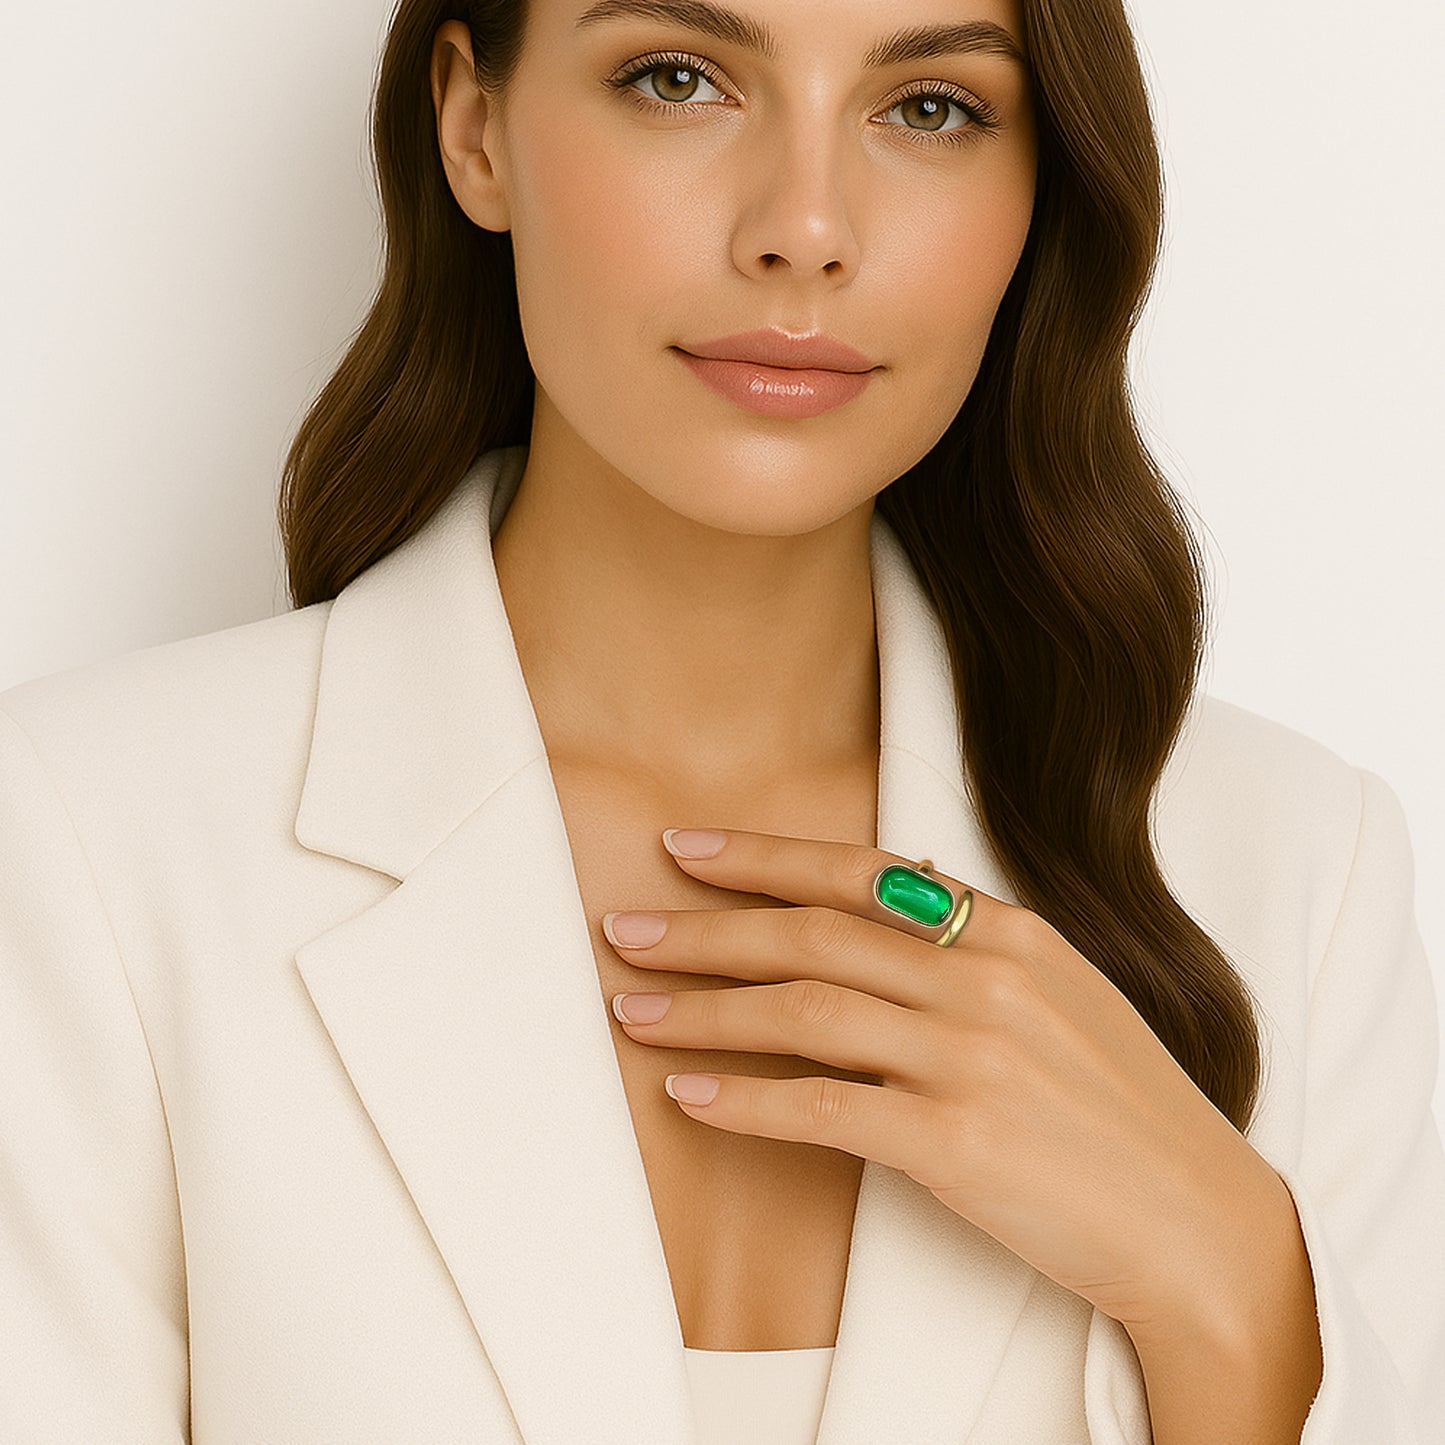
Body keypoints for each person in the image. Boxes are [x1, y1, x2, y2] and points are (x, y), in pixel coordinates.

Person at [1, 0, 1442, 1441]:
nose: (804, 226)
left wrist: (1236, 1289)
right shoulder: (87, 844)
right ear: (473, 124)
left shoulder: (1294, 871)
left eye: (929, 107)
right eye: (677, 78)